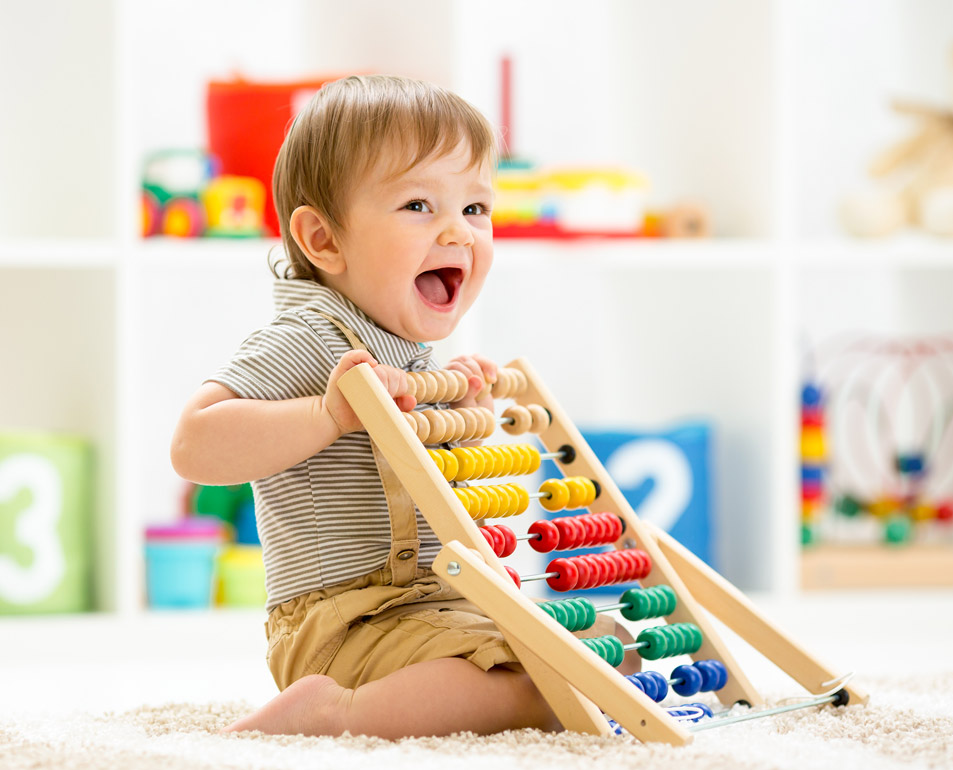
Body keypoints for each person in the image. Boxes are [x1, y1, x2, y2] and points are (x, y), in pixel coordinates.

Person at [171, 74, 635, 740]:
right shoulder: (313, 340)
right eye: (420, 205)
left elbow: (427, 503)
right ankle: (333, 714)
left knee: (609, 648)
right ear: (324, 240)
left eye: (476, 209)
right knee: (547, 686)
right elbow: (193, 445)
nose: (459, 232)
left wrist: (466, 422)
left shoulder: (408, 350)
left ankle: (443, 691)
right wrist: (327, 414)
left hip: (430, 606)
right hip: (343, 623)